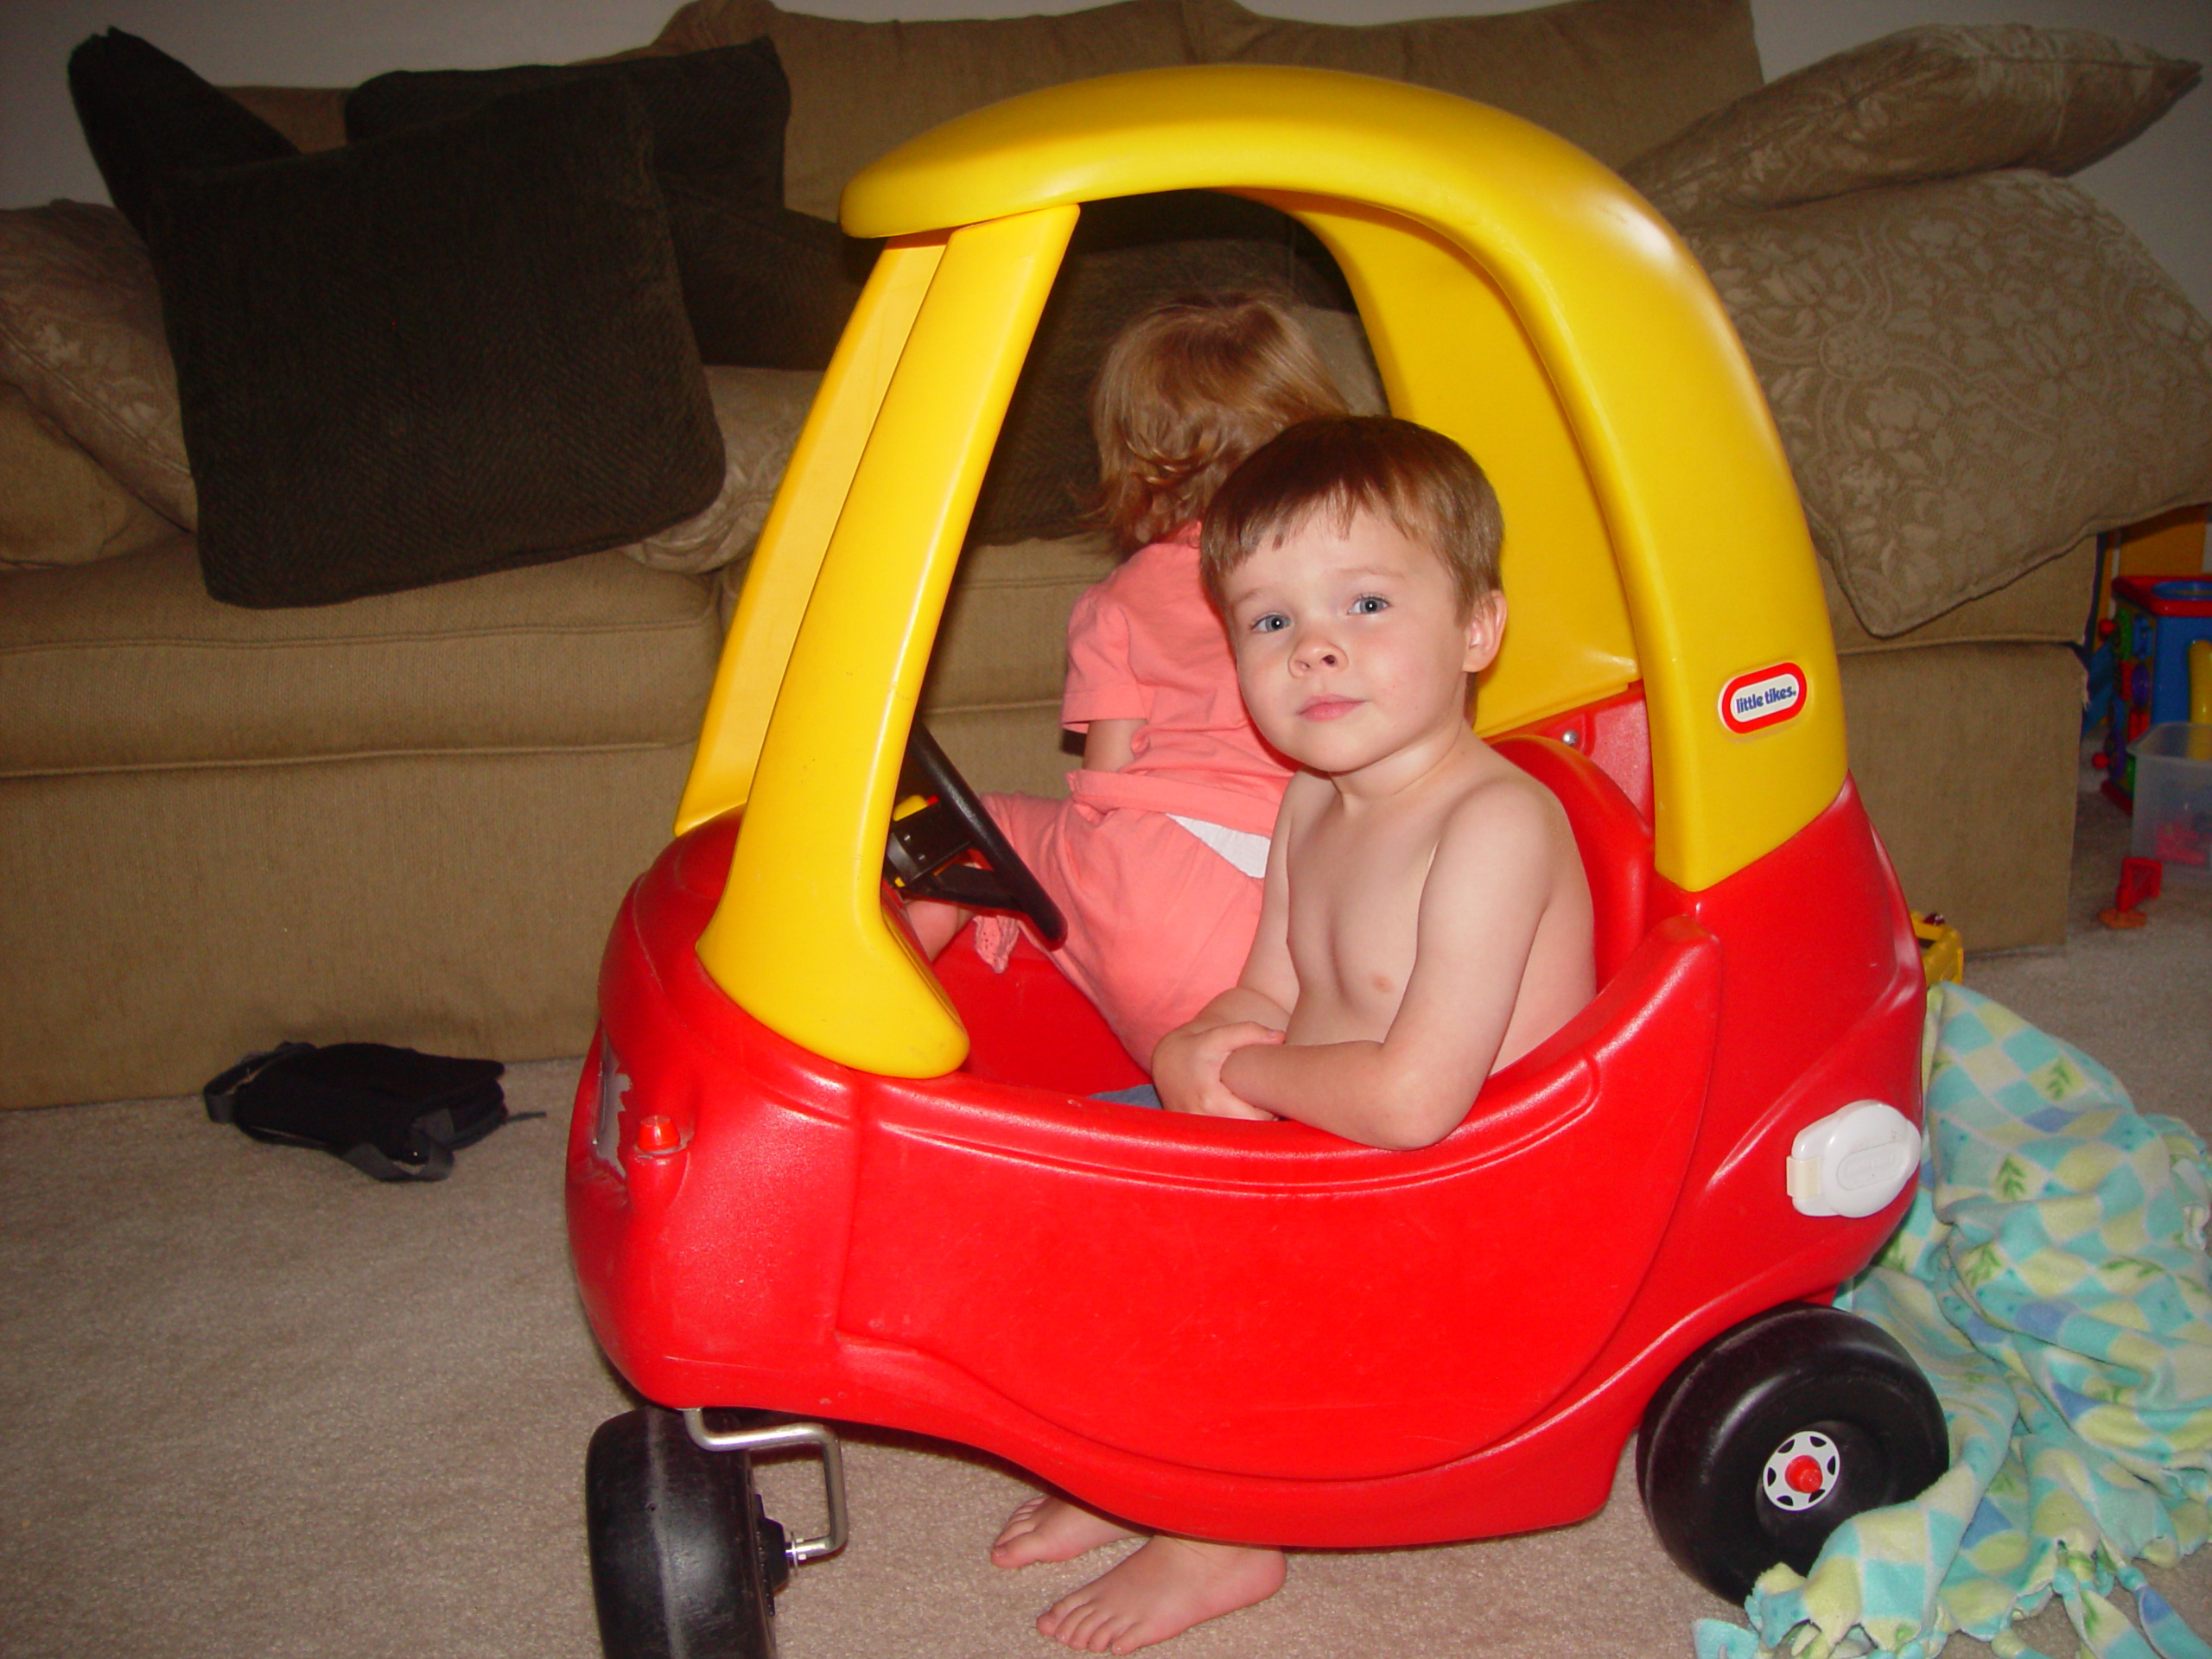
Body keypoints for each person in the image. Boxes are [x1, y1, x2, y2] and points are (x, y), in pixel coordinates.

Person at [994, 415, 1597, 1654]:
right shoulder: (1314, 804)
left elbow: (1423, 1099)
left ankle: (1223, 1531)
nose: (1315, 647)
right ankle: (1139, 1465)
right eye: (1271, 623)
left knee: (1194, 1267)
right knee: (1062, 1194)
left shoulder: (1494, 827)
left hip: (1478, 1208)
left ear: (1477, 628)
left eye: (1366, 604)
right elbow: (1261, 990)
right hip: (1340, 1152)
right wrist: (1195, 1049)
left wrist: (1249, 1076)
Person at [906, 291, 1348, 1068]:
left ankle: (884, 1009)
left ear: (1137, 470)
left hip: (1146, 894)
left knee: (984, 827)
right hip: (1290, 931)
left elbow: (1107, 778)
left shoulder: (1126, 595)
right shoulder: (1343, 594)